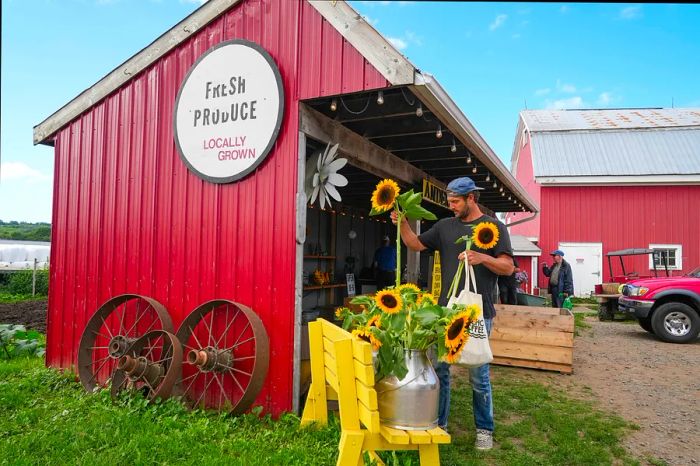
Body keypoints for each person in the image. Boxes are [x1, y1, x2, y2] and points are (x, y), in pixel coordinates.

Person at [391, 176, 514, 451]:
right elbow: (414, 244)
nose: (452, 206)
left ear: (472, 198)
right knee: (441, 370)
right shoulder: (445, 227)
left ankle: (484, 429)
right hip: (446, 313)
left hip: (479, 313)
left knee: (478, 374)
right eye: (449, 201)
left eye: (456, 201)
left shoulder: (494, 227)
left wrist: (483, 258)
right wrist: (402, 223)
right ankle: (440, 423)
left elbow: (508, 267)